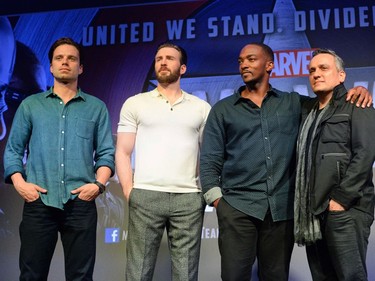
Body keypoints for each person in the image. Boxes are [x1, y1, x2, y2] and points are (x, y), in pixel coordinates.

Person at [199, 42, 372, 281]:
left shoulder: (293, 103)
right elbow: (209, 159)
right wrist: (219, 202)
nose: (244, 65)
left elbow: (358, 144)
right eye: (240, 61)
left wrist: (359, 91)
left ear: (269, 65)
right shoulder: (223, 110)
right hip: (238, 206)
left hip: (282, 210)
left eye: (251, 59)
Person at [3, 37, 115, 281]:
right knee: (31, 275)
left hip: (81, 202)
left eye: (72, 58)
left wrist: (97, 186)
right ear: (51, 66)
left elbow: (106, 153)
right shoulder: (30, 106)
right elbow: (13, 150)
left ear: (80, 67)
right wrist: (21, 185)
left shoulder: (96, 108)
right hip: (39, 201)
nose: (65, 62)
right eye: (59, 58)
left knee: (81, 277)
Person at [115, 42, 211, 281]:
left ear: (183, 68)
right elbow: (123, 151)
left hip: (188, 198)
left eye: (169, 58)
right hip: (145, 194)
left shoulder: (201, 107)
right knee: (137, 272)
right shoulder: (135, 103)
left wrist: (199, 192)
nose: (163, 62)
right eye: (159, 58)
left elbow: (207, 154)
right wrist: (130, 191)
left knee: (186, 274)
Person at [294, 48, 375, 281]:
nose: (316, 74)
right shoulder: (306, 110)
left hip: (345, 210)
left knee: (351, 277)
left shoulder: (357, 104)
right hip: (313, 212)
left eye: (323, 68)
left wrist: (341, 199)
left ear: (341, 75)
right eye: (311, 70)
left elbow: (366, 153)